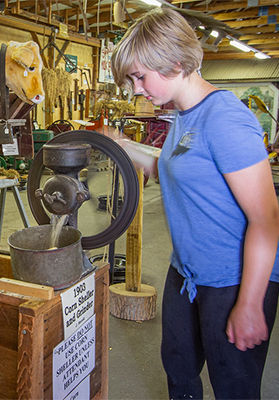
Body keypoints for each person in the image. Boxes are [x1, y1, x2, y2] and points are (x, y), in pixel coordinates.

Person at [111, 7, 279, 399]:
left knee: (233, 384)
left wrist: (250, 304)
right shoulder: (184, 116)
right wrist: (118, 147)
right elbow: (173, 169)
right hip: (186, 275)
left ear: (173, 61)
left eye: (140, 76)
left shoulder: (224, 119)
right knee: (180, 371)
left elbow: (267, 218)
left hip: (232, 280)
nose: (136, 89)